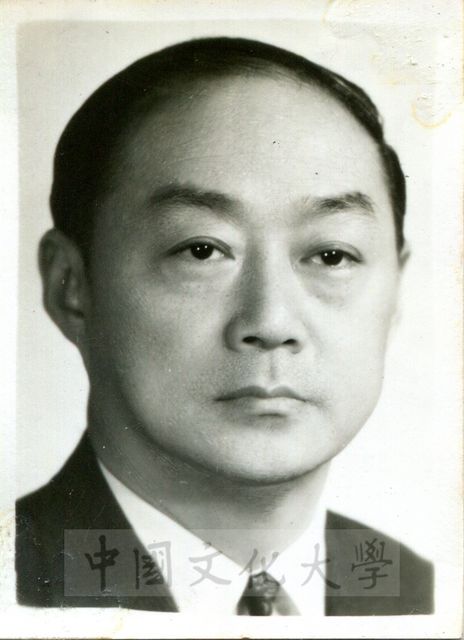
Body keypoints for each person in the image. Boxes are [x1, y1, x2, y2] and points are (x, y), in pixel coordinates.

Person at [16, 36, 433, 616]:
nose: (271, 322)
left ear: (396, 288)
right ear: (72, 285)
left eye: (331, 255)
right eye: (202, 249)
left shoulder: (425, 596)